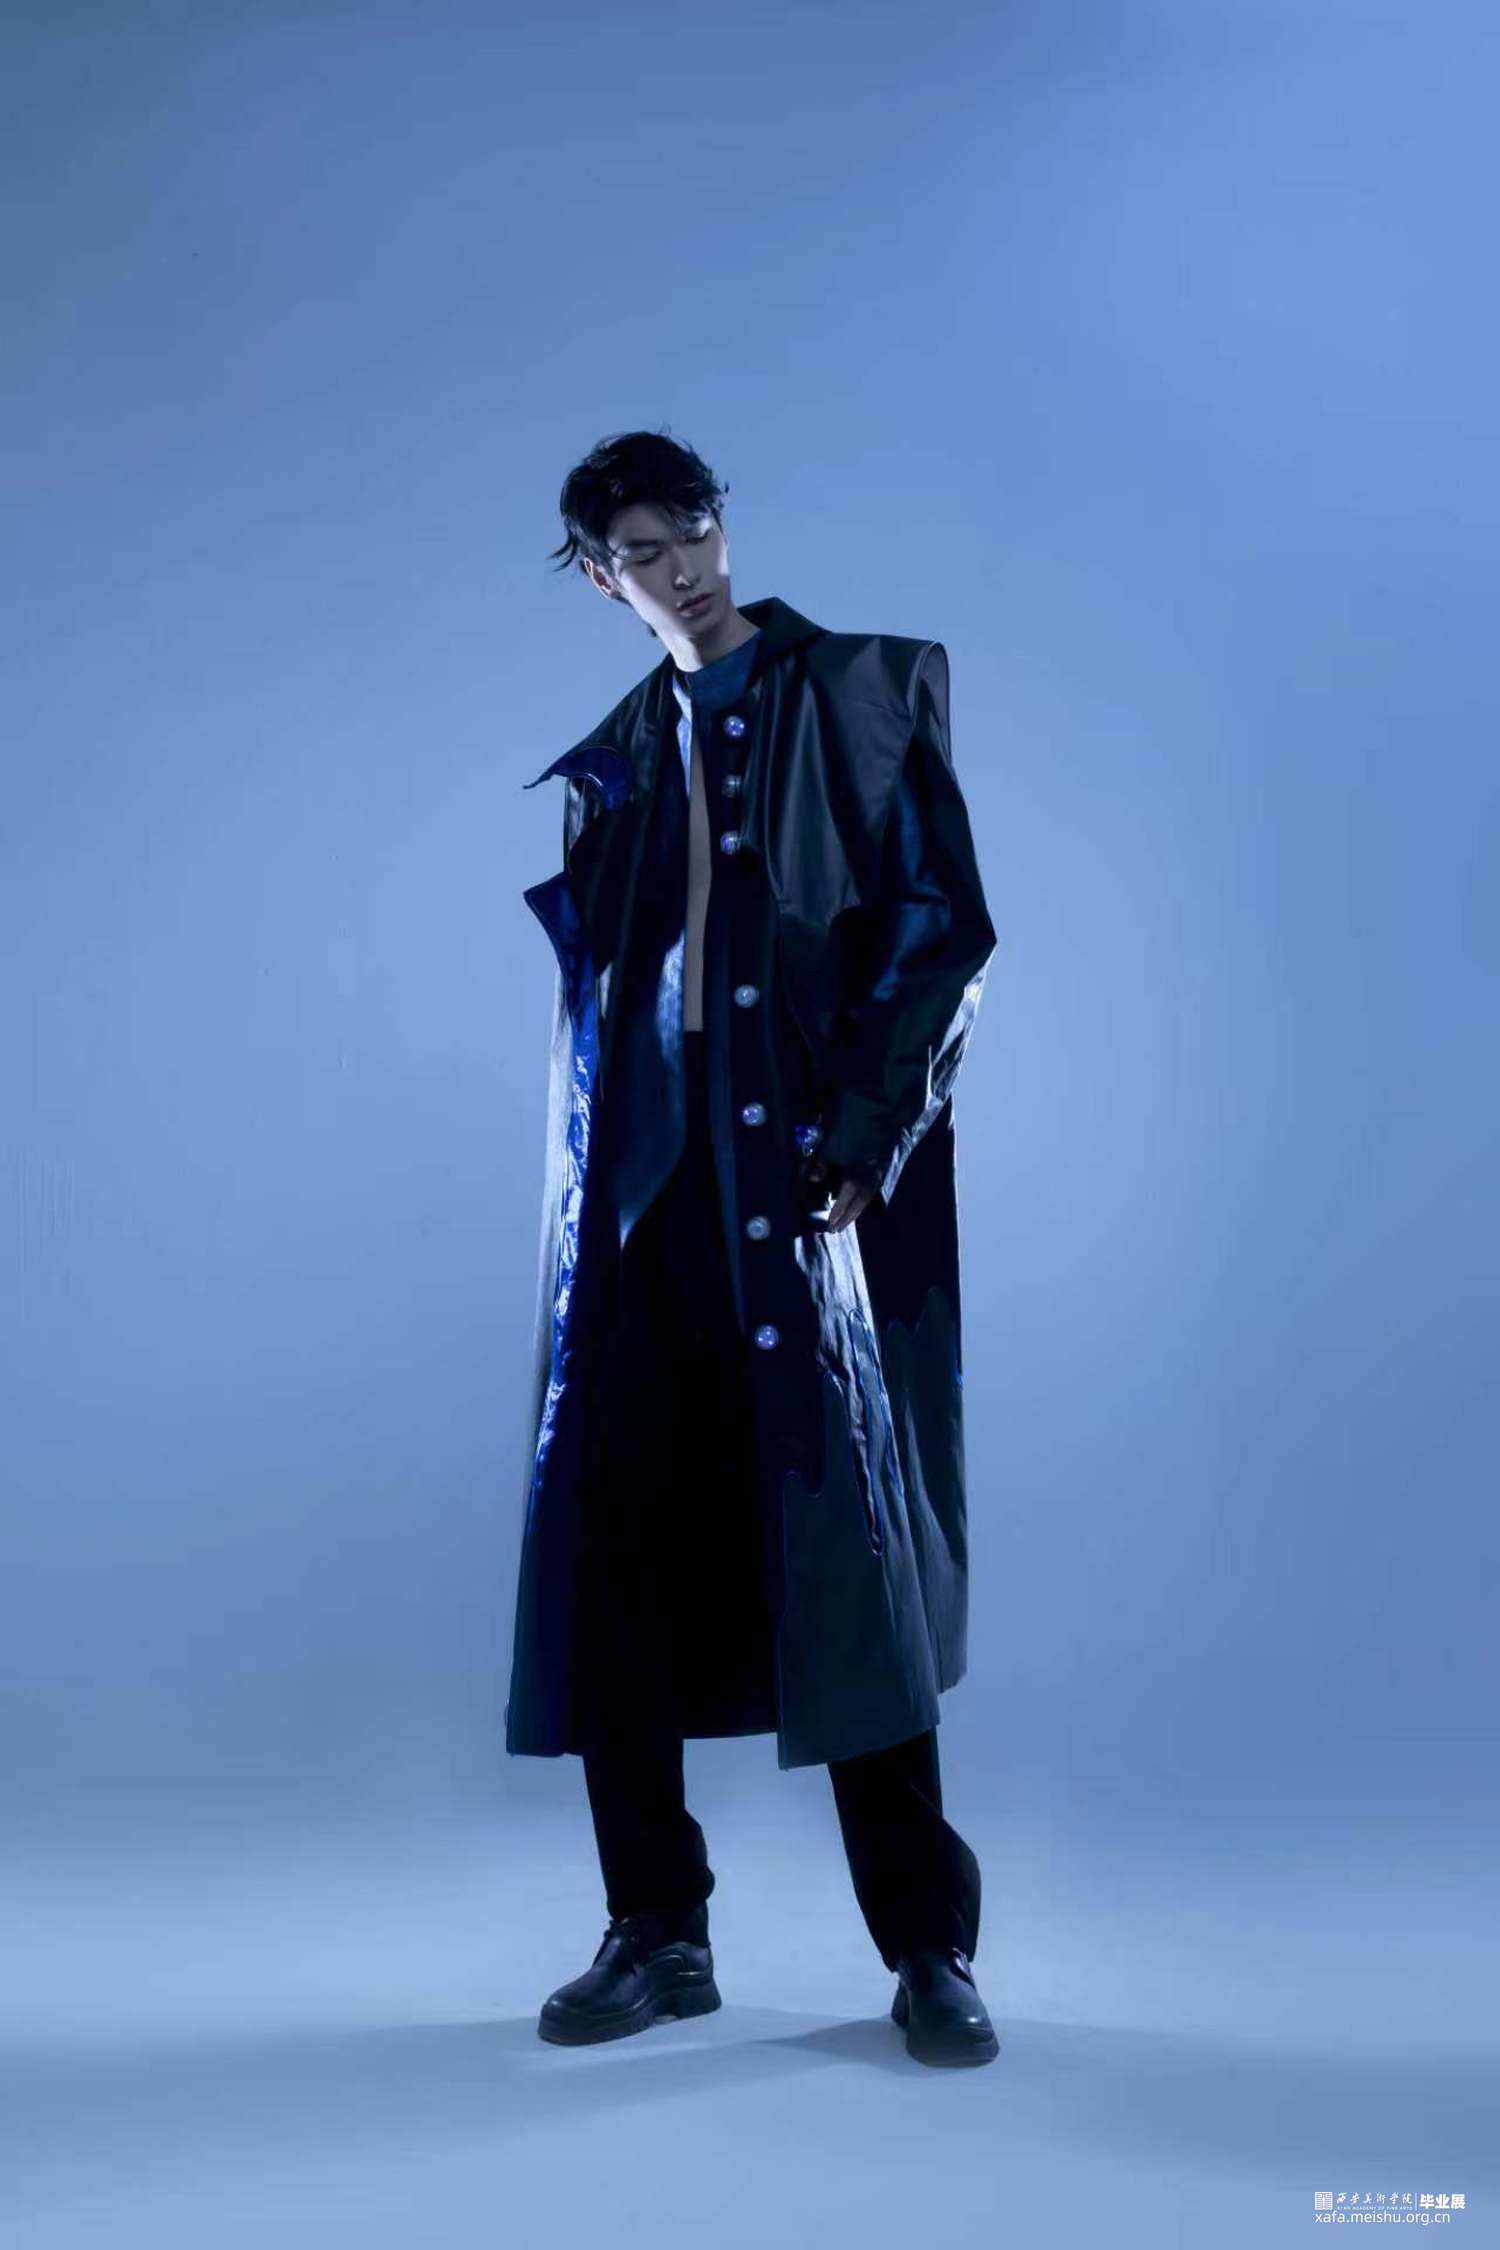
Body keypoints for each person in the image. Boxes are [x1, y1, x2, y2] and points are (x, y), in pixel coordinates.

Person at [507, 429, 1000, 2066]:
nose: (684, 569)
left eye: (695, 530)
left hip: (802, 1193)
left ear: (726, 525)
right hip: (647, 1215)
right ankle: (657, 1929)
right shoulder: (612, 760)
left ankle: (928, 1945)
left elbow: (941, 931)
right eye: (643, 553)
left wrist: (864, 1129)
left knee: (847, 1546)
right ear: (604, 581)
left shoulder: (864, 693)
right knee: (618, 1559)